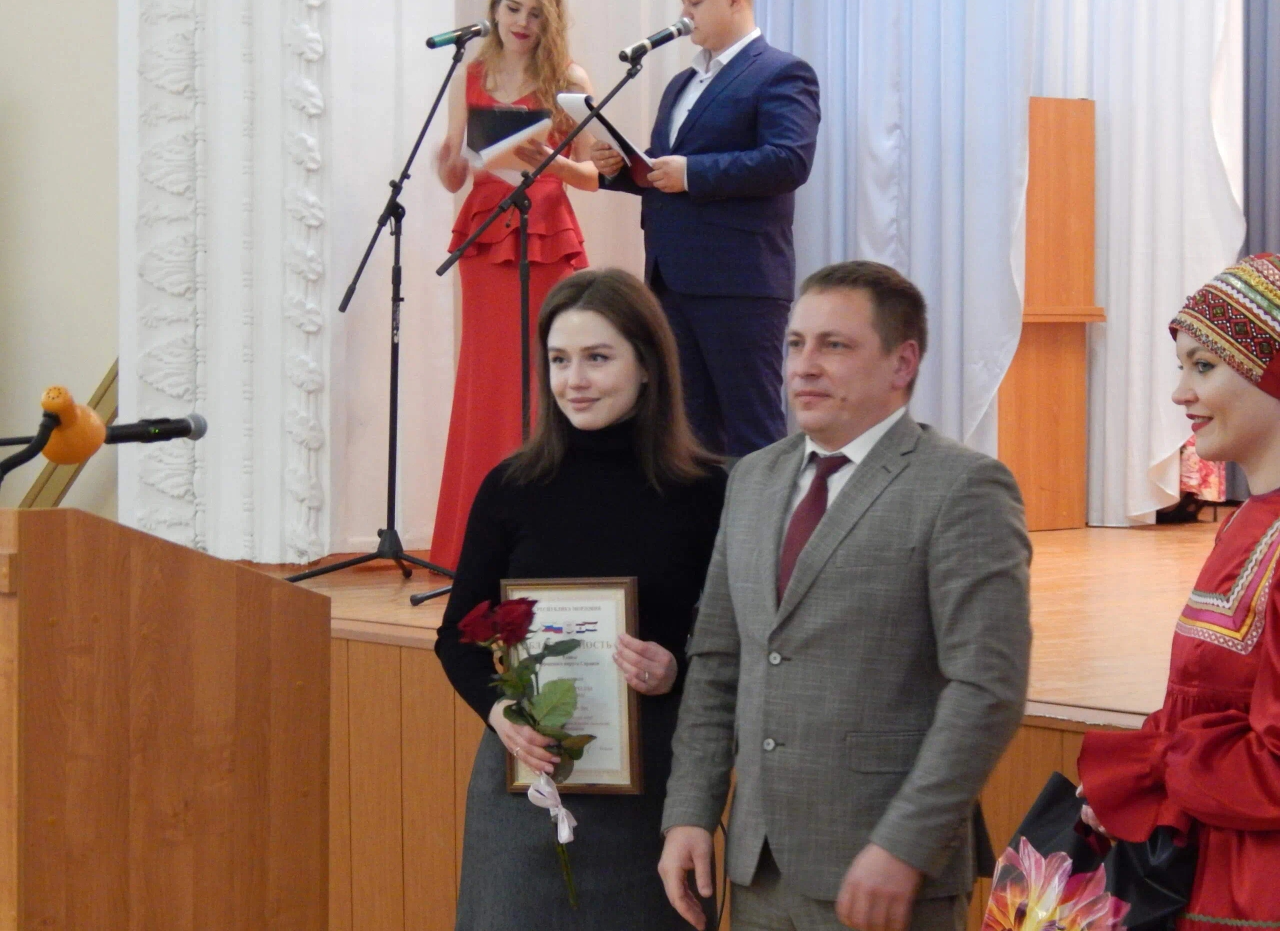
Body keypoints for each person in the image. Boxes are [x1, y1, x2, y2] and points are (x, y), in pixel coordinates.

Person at [658, 261, 1032, 931]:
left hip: (886, 875)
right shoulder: (751, 479)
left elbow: (987, 687)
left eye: (834, 345)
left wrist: (905, 845)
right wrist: (689, 810)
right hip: (758, 869)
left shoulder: (963, 487)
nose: (804, 367)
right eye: (795, 344)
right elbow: (717, 661)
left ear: (902, 363)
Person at [434, 268, 727, 929]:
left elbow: (732, 649)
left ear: (647, 365)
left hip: (653, 791)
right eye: (560, 360)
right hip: (525, 786)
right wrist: (501, 712)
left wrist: (674, 670)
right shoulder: (511, 486)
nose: (575, 380)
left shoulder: (706, 493)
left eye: (597, 357)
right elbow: (457, 638)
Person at [1078, 253, 1280, 929]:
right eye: (1181, 367)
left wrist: (1157, 770)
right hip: (1204, 870)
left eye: (1203, 366)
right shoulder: (1248, 522)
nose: (1179, 393)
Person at [590, 0, 820, 459]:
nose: (684, 14)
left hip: (739, 282)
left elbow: (789, 161)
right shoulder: (681, 84)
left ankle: (761, 515)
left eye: (694, 1)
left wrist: (693, 173)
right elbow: (663, 171)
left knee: (752, 432)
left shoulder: (781, 72)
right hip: (670, 280)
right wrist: (619, 168)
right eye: (683, 1)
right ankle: (702, 515)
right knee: (686, 434)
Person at [431, 0, 600, 571]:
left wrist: (551, 162)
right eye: (513, 9)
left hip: (546, 238)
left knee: (541, 377)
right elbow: (456, 173)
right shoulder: (471, 75)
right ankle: (476, 544)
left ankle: (547, 540)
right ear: (495, 10)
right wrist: (448, 162)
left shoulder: (570, 80)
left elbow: (593, 175)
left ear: (549, 19)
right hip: (486, 238)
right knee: (487, 381)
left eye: (534, 13)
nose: (522, 23)